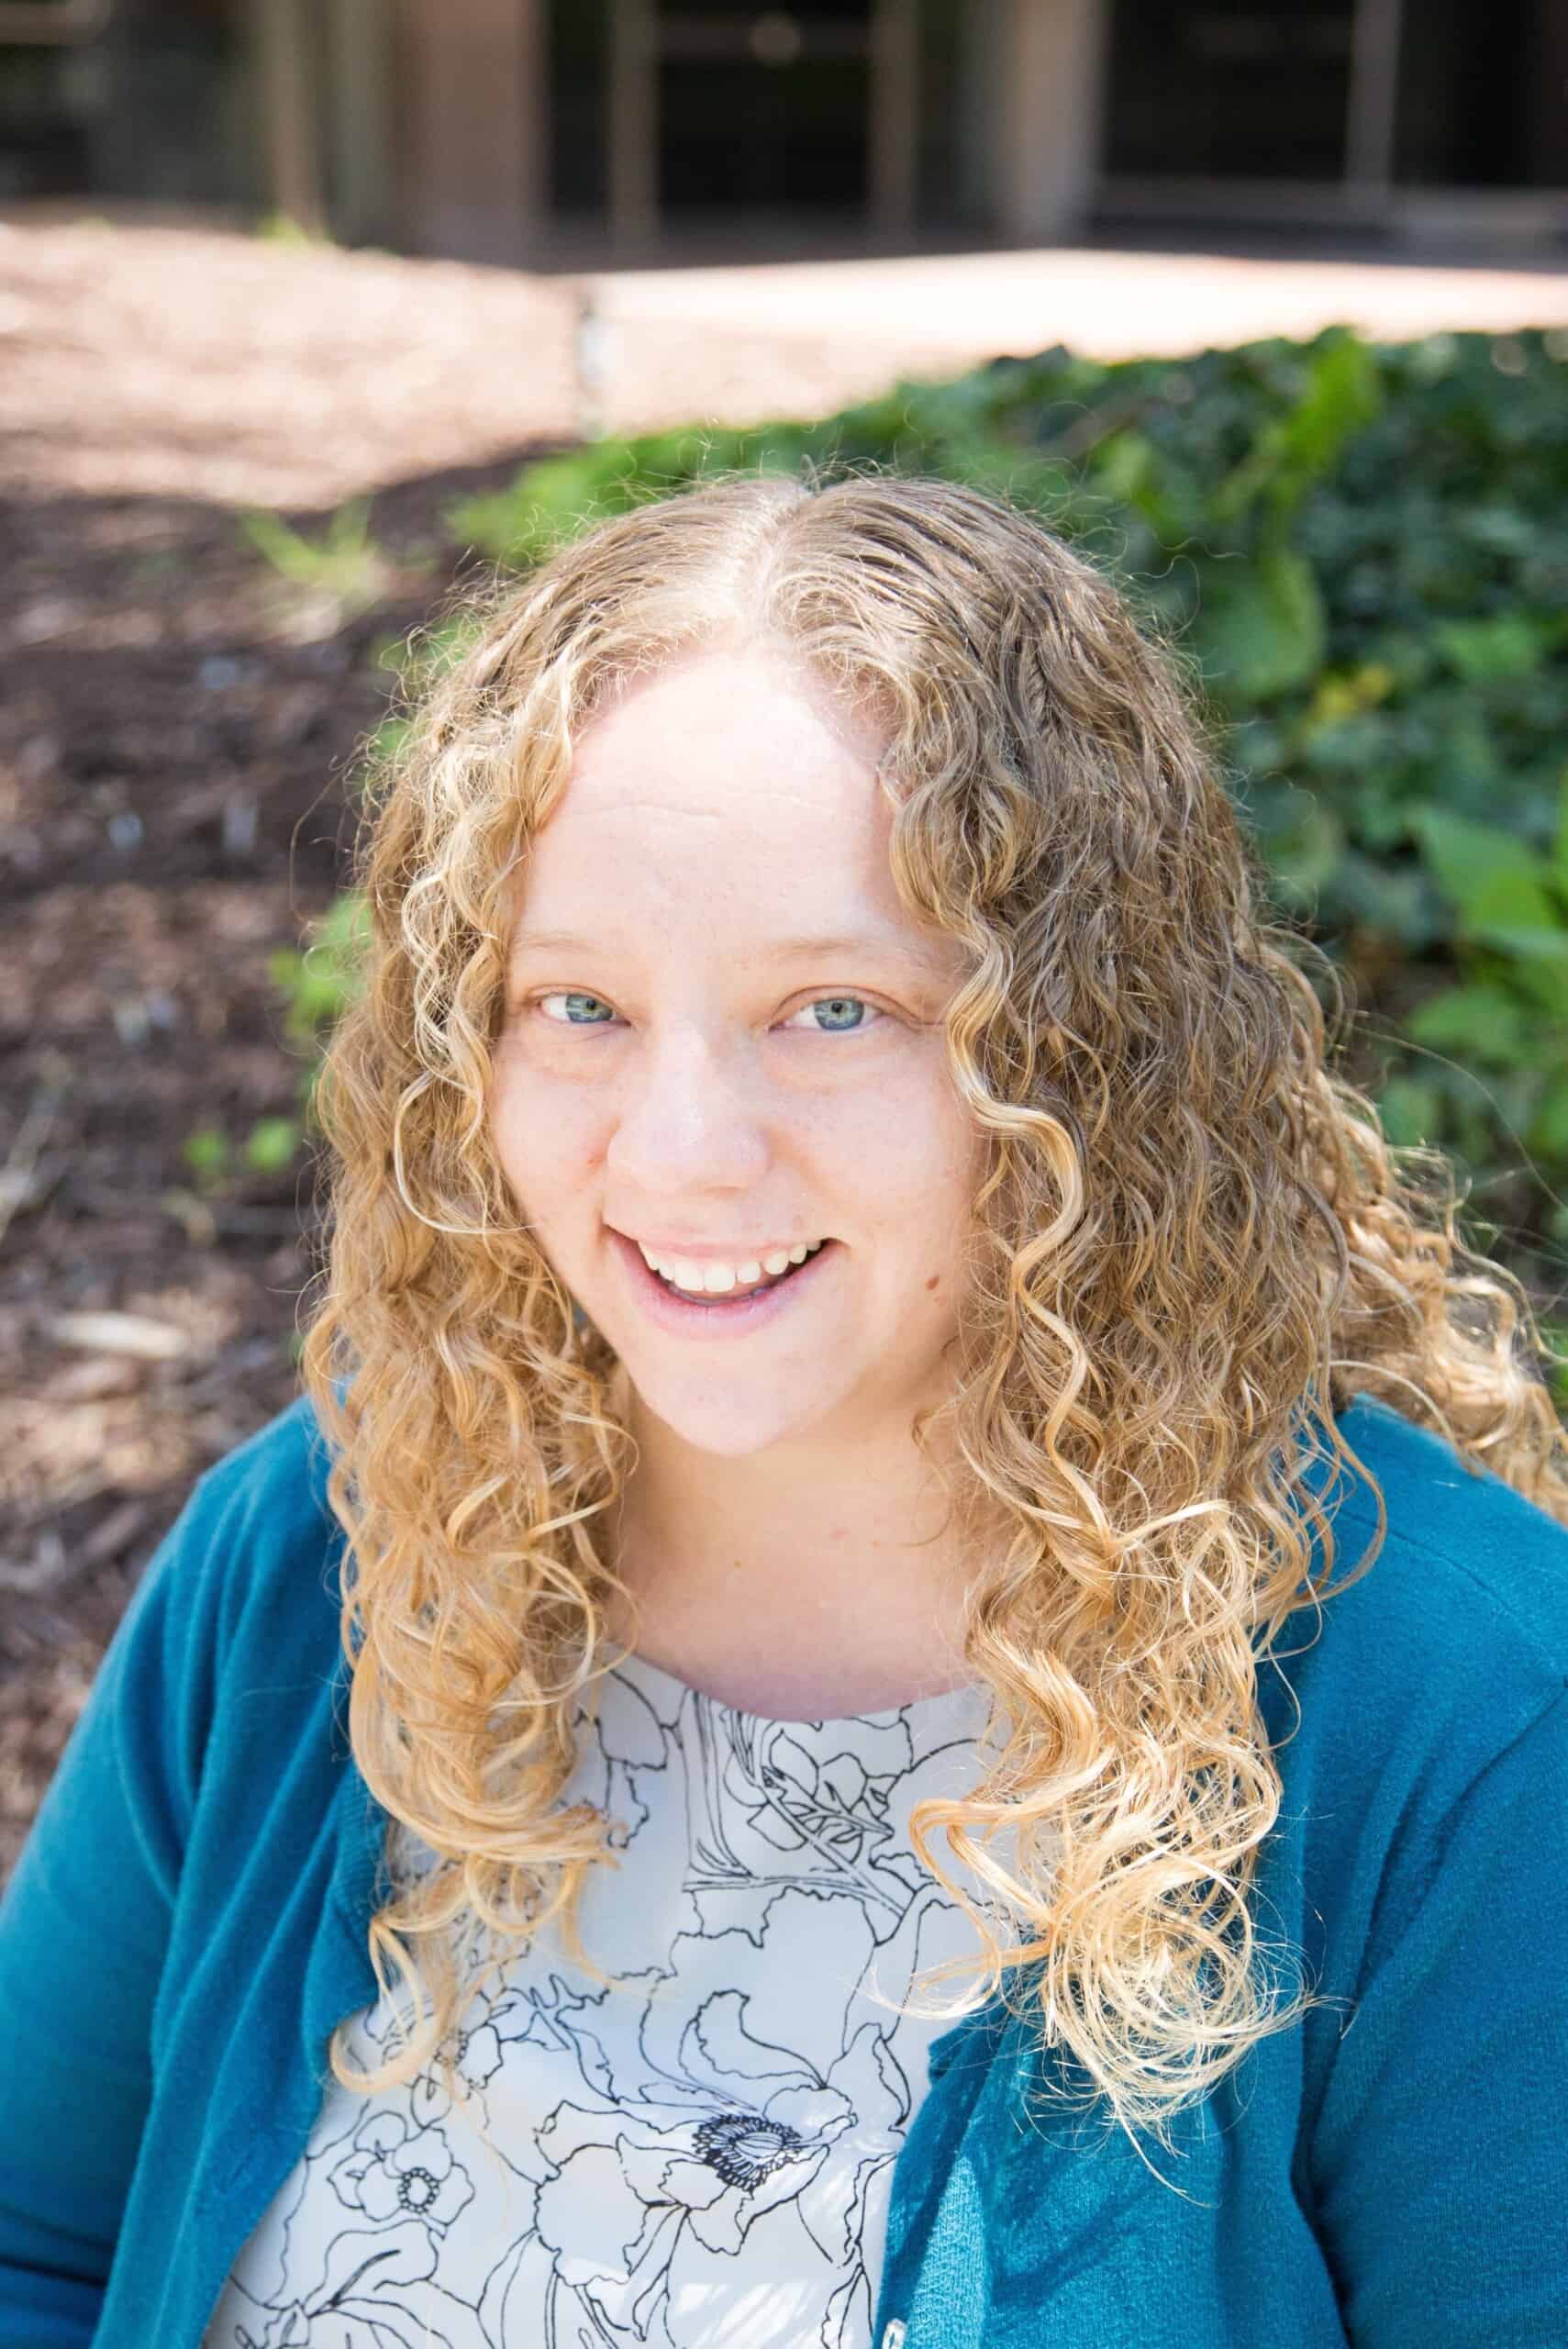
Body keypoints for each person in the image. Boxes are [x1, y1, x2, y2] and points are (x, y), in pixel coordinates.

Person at [3, 471, 1566, 2349]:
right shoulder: (320, 1553)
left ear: (1086, 1055)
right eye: (574, 1005)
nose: (680, 1152)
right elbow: (35, 2238)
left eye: (833, 1009)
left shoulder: (1458, 1718)